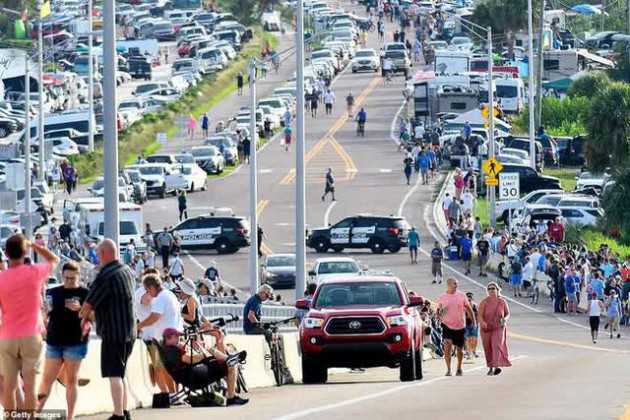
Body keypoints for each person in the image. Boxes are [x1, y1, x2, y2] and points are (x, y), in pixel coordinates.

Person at [0, 235, 60, 412]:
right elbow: (54, 259)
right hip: (31, 334)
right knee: (31, 387)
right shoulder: (34, 272)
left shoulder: (1, 279)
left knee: (10, 386)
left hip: (8, 335)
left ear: (7, 254)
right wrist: (34, 245)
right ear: (24, 252)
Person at [79, 239, 136, 420]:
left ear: (103, 254)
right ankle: (125, 411)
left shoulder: (106, 275)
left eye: (97, 254)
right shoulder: (127, 271)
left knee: (113, 375)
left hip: (113, 332)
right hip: (129, 331)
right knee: (121, 373)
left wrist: (82, 314)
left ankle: (118, 415)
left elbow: (89, 303)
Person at [38, 262, 89, 420]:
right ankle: (36, 412)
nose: (68, 282)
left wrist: (80, 309)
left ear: (78, 277)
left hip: (76, 342)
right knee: (47, 379)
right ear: (62, 276)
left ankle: (70, 416)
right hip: (54, 340)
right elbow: (44, 316)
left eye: (72, 279)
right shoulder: (53, 292)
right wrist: (45, 313)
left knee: (71, 379)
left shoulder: (85, 293)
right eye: (66, 278)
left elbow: (94, 318)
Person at [161, 328, 248, 405]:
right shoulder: (170, 350)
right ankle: (231, 397)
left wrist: (198, 349)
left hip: (192, 374)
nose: (178, 340)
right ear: (168, 338)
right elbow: (187, 359)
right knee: (230, 365)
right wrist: (203, 355)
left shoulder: (170, 349)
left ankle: (228, 359)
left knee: (220, 357)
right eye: (176, 337)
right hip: (194, 377)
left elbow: (185, 360)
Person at [136, 274, 183, 394]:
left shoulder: (161, 298)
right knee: (171, 368)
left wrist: (138, 326)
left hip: (165, 339)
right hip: (173, 336)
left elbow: (154, 317)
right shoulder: (169, 294)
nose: (148, 293)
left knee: (162, 368)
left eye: (147, 290)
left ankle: (171, 394)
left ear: (152, 287)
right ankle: (174, 394)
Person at [436, 277, 475, 377]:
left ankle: (459, 368)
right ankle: (448, 369)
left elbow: (469, 309)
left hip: (460, 326)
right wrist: (442, 311)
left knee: (459, 349)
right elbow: (439, 312)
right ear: (448, 285)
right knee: (447, 346)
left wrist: (473, 322)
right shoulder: (442, 297)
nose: (456, 285)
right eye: (454, 284)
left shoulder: (462, 295)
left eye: (457, 284)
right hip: (447, 325)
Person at [478, 282, 512, 376]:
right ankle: (490, 367)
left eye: (493, 288)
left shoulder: (502, 301)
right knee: (488, 347)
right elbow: (479, 316)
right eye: (489, 289)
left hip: (499, 327)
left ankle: (496, 366)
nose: (491, 290)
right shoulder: (484, 302)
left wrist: (505, 319)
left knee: (496, 345)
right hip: (487, 328)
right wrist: (483, 323)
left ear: (497, 290)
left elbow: (507, 313)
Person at [464, 292, 479, 359]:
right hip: (467, 324)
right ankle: (468, 353)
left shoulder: (475, 306)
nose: (469, 301)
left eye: (470, 299)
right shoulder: (464, 307)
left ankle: (474, 350)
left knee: (474, 339)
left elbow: (479, 315)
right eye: (468, 299)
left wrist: (477, 323)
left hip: (474, 324)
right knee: (468, 338)